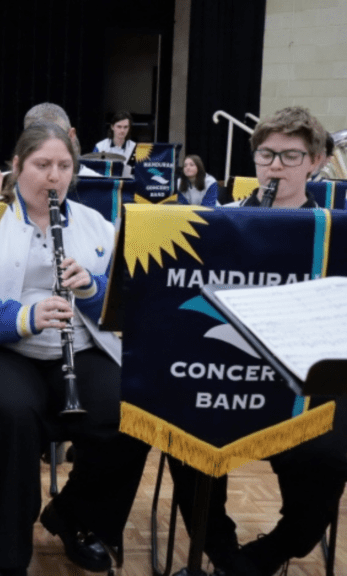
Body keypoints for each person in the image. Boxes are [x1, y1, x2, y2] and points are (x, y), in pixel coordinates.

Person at [169, 106, 346, 576]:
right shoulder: (217, 221)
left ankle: (262, 558)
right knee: (184, 441)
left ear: (316, 162)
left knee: (332, 456)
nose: (275, 167)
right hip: (227, 369)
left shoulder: (336, 231)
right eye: (266, 154)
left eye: (291, 156)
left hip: (305, 381)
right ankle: (222, 554)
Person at [0, 121, 150, 576]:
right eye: (41, 165)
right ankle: (12, 559)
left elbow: (121, 305)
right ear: (17, 167)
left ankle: (74, 517)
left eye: (63, 166)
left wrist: (91, 290)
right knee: (11, 419)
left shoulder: (96, 224)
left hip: (79, 347)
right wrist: (23, 318)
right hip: (10, 352)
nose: (53, 176)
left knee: (133, 417)